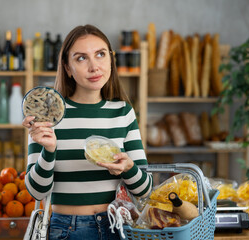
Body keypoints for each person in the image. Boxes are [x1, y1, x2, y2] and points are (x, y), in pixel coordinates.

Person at [22, 24, 152, 240]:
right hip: (66, 230)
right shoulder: (48, 115)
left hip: (116, 227)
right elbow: (36, 192)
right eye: (81, 58)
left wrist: (128, 168)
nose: (94, 67)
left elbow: (145, 190)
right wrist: (49, 151)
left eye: (100, 55)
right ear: (67, 68)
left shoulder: (123, 112)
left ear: (111, 59)